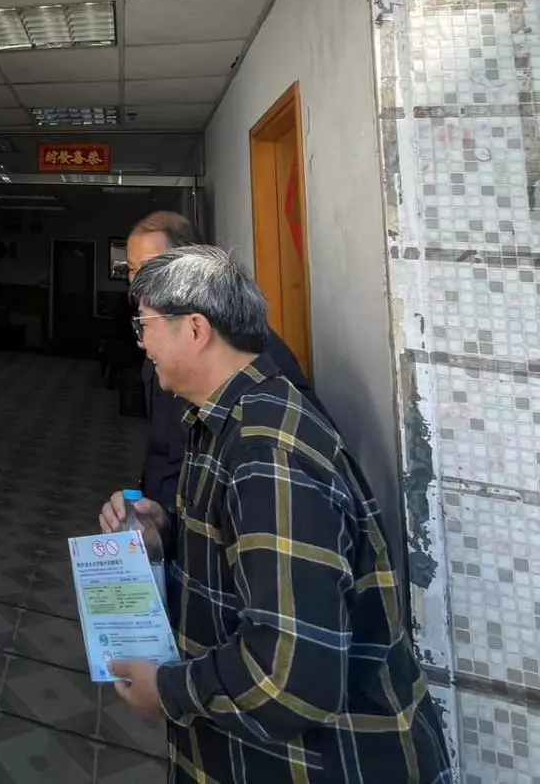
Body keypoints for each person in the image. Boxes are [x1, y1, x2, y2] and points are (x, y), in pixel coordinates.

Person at [100, 246, 451, 783]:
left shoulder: (267, 453)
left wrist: (167, 691)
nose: (141, 343)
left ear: (194, 329)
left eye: (144, 325)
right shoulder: (227, 418)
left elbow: (288, 676)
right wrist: (166, 535)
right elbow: (244, 557)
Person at [126, 211, 314, 507]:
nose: (138, 281)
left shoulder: (267, 447)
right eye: (131, 269)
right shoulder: (167, 342)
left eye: (150, 268)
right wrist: (159, 519)